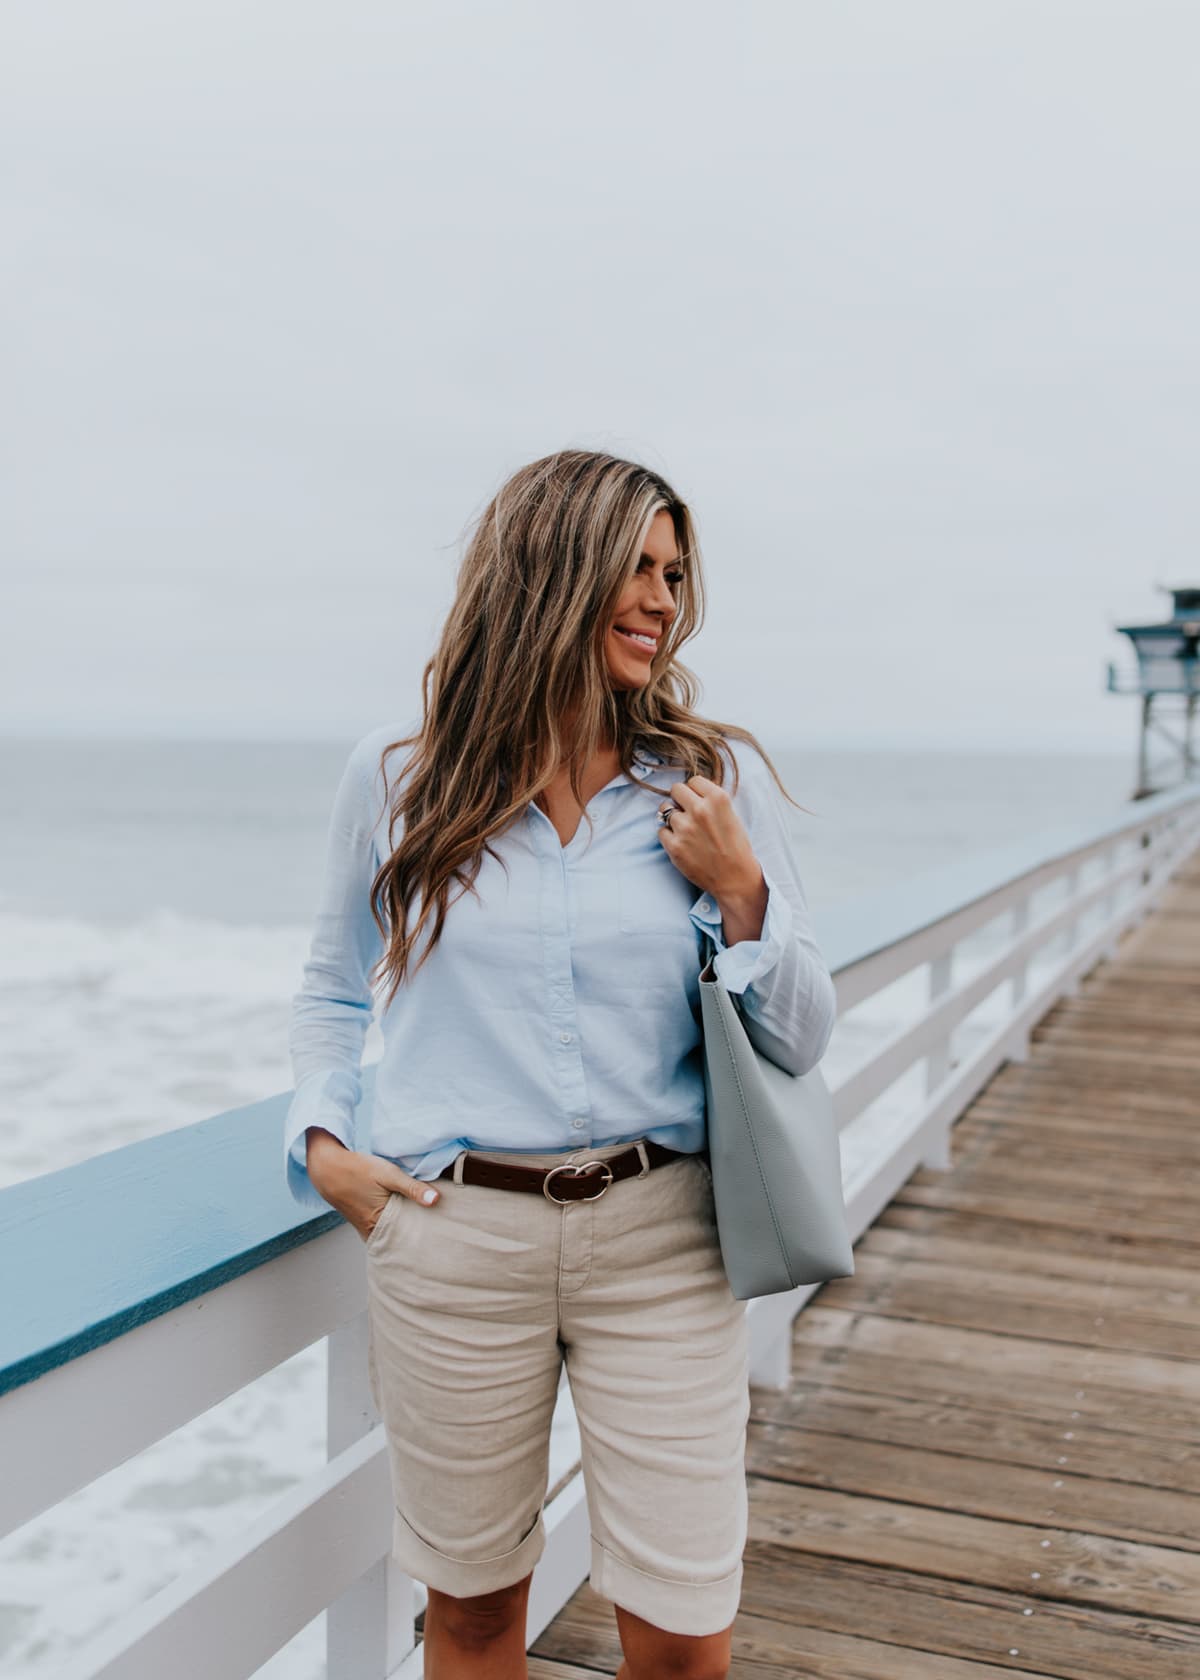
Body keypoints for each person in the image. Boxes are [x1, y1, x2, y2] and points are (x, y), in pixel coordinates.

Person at [282, 448, 837, 1680]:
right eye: (634, 567)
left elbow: (800, 1034)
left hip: (665, 1240)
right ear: (550, 571)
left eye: (673, 573)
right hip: (455, 1240)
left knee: (686, 1638)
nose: (661, 599)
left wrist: (743, 891)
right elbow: (330, 988)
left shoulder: (705, 783)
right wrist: (328, 1153)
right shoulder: (398, 778)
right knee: (475, 1618)